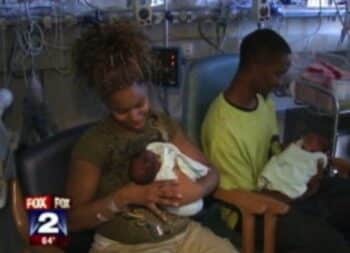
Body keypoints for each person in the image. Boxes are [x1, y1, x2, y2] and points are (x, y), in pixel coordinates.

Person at [67, 21, 238, 253]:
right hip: (125, 246)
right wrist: (123, 197)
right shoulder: (94, 144)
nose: (135, 117)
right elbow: (69, 219)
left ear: (147, 86)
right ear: (105, 103)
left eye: (140, 104)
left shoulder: (163, 124)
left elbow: (212, 173)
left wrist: (197, 190)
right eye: (121, 111)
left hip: (184, 236)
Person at [202, 28, 350, 253]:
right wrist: (301, 191)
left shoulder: (262, 103)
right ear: (255, 67)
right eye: (278, 73)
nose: (280, 82)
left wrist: (305, 162)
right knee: (334, 246)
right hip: (253, 213)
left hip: (287, 191)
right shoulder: (223, 128)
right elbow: (246, 196)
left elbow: (274, 153)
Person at [129, 141, 209, 216]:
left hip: (201, 184)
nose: (147, 165)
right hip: (191, 203)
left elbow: (172, 151)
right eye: (146, 171)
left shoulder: (161, 150)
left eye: (144, 160)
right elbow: (177, 190)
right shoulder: (163, 176)